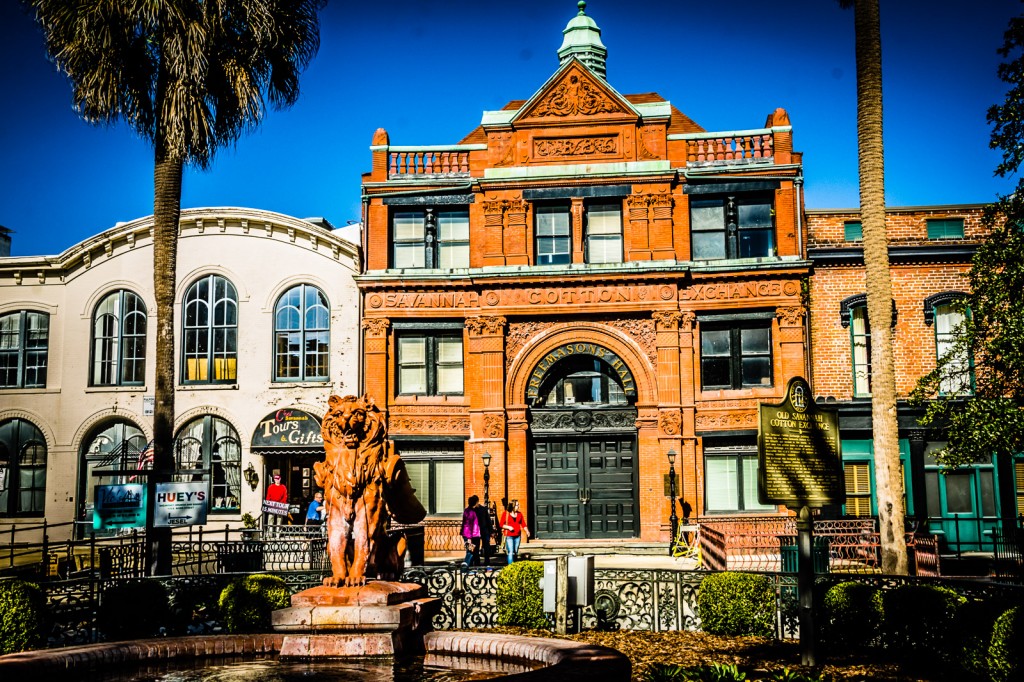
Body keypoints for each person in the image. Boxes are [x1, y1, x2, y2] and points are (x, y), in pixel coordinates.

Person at [500, 499, 528, 564]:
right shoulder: (506, 514)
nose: (518, 506)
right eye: (517, 505)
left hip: (517, 536)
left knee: (515, 552)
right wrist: (508, 527)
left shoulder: (519, 514)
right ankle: (510, 567)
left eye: (518, 505)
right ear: (512, 506)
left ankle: (514, 564)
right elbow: (501, 524)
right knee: (510, 552)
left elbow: (523, 523)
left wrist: (527, 531)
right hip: (509, 536)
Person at [460, 494, 481, 569]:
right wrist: (469, 538)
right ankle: (464, 567)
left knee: (472, 552)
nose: (478, 503)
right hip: (471, 535)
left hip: (473, 535)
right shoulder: (470, 513)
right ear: (475, 503)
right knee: (470, 552)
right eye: (477, 502)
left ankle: (471, 567)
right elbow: (468, 526)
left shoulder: (468, 511)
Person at [473, 497, 494, 565]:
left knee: (486, 547)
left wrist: (491, 531)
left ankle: (486, 562)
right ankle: (478, 563)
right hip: (478, 531)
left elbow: (488, 520)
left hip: (484, 531)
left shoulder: (483, 509)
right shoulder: (473, 510)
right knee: (476, 548)